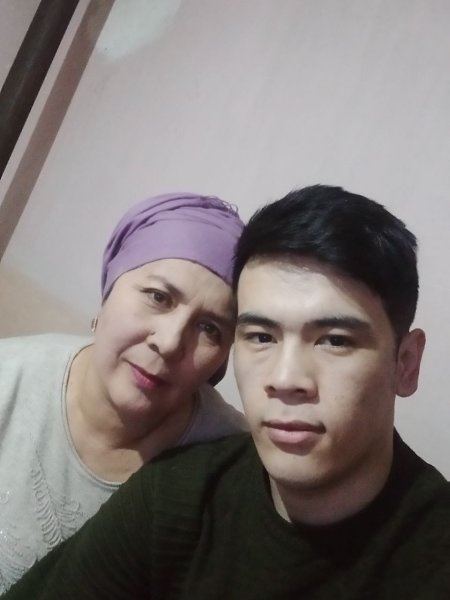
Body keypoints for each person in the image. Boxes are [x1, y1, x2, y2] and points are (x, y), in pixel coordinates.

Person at [3, 184, 450, 599]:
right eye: (261, 336)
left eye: (334, 340)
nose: (285, 378)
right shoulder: (177, 496)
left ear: (406, 364)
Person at [0, 192, 247, 592]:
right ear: (111, 285)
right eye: (159, 297)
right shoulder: (8, 377)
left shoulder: (232, 464)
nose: (170, 342)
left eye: (209, 328)